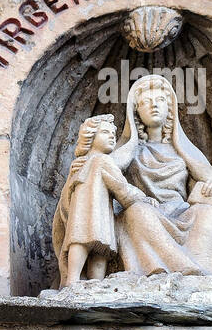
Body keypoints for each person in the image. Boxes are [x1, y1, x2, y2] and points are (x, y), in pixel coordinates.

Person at [111, 73, 212, 279]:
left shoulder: (184, 151)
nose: (154, 106)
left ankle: (208, 276)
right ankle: (166, 271)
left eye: (160, 100)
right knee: (137, 213)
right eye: (146, 102)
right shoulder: (130, 151)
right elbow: (106, 173)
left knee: (206, 213)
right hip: (148, 211)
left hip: (182, 211)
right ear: (136, 112)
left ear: (170, 108)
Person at [51, 114, 149, 286]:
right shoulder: (103, 160)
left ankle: (82, 282)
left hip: (93, 214)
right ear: (90, 137)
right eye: (105, 132)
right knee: (92, 246)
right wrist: (143, 198)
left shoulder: (80, 163)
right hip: (92, 215)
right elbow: (121, 188)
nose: (112, 136)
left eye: (113, 133)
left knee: (94, 247)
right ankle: (79, 281)